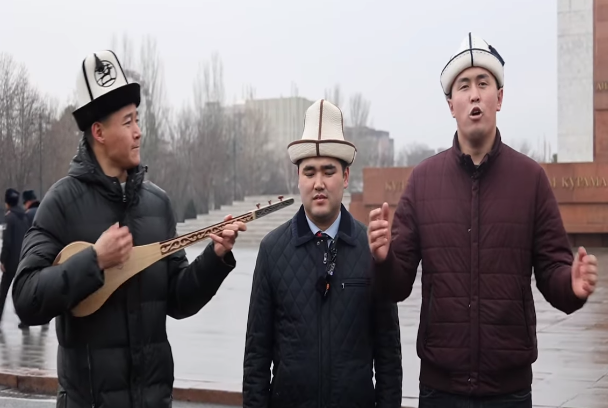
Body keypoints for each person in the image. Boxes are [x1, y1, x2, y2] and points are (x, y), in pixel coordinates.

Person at [367, 33, 599, 408]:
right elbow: (397, 284)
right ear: (451, 104)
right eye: (464, 86)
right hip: (440, 388)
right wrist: (382, 259)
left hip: (509, 390)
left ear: (499, 98)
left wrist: (571, 286)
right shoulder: (423, 181)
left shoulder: (530, 179)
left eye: (483, 83)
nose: (474, 95)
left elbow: (553, 268)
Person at [12, 50, 247, 408]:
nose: (139, 132)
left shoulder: (157, 204)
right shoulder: (60, 203)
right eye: (127, 122)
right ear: (99, 132)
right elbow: (26, 299)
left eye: (138, 119)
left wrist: (215, 258)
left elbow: (178, 300)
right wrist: (94, 261)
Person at [243, 99, 403, 408]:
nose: (318, 183)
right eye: (309, 172)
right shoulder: (272, 251)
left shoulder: (370, 250)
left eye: (329, 171)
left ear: (345, 177)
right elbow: (256, 358)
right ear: (298, 178)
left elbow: (388, 357)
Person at [0, 188, 29, 329]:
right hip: (23, 259)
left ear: (7, 202)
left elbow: (7, 242)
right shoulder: (24, 217)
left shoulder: (9, 217)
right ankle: (25, 320)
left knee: (3, 292)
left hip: (11, 262)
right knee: (21, 292)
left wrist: (2, 260)